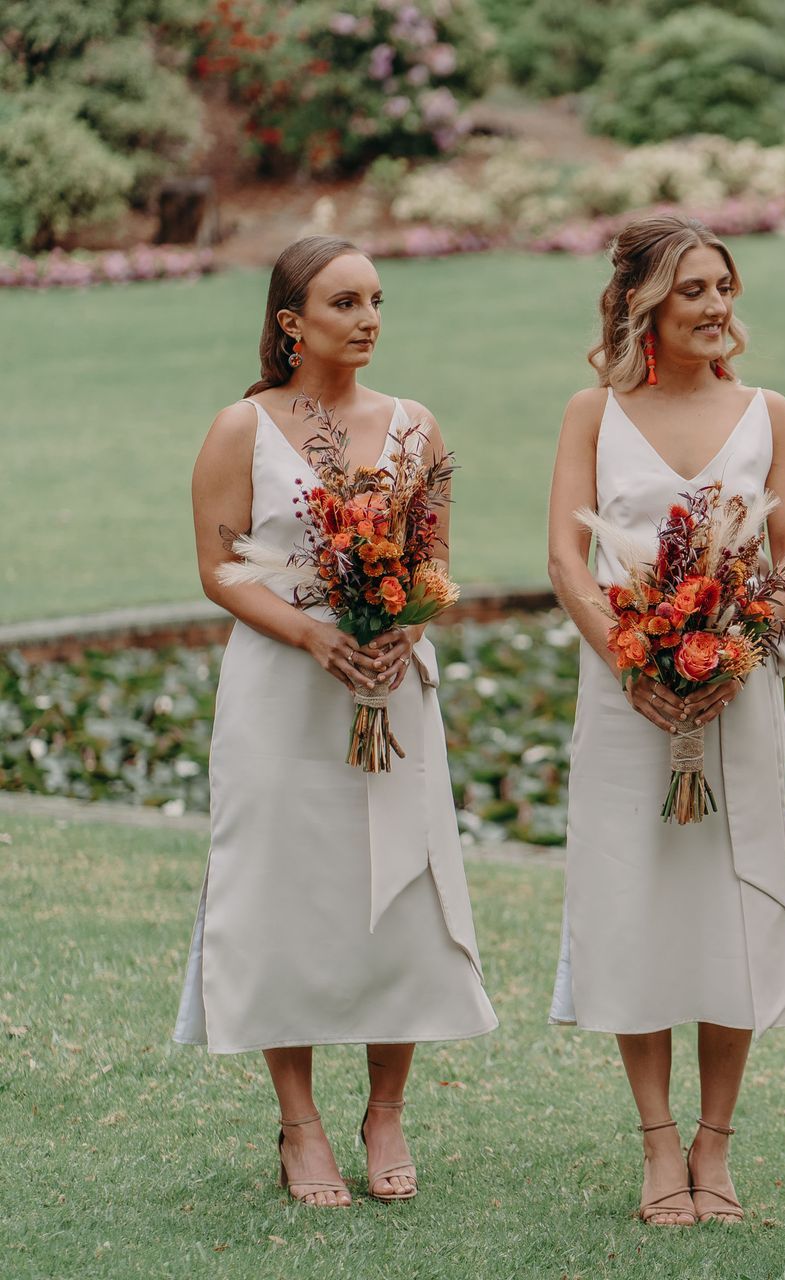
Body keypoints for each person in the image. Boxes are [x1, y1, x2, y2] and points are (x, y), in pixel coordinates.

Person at [175, 235, 497, 1207]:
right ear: (290, 322)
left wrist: (407, 622)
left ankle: (387, 1108)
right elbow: (221, 565)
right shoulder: (243, 427)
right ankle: (300, 1119)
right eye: (344, 302)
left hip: (390, 687)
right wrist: (314, 637)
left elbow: (436, 562)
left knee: (397, 891)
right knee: (285, 892)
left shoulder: (416, 427)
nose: (368, 319)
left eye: (376, 300)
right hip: (283, 686)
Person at [545, 214, 785, 1227]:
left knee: (733, 905)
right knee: (634, 902)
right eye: (694, 289)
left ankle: (717, 1141)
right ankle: (659, 1141)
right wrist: (633, 659)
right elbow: (568, 560)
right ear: (644, 303)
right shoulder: (593, 412)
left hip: (737, 695)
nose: (716, 307)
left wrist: (738, 648)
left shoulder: (767, 411)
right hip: (625, 700)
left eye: (724, 287)